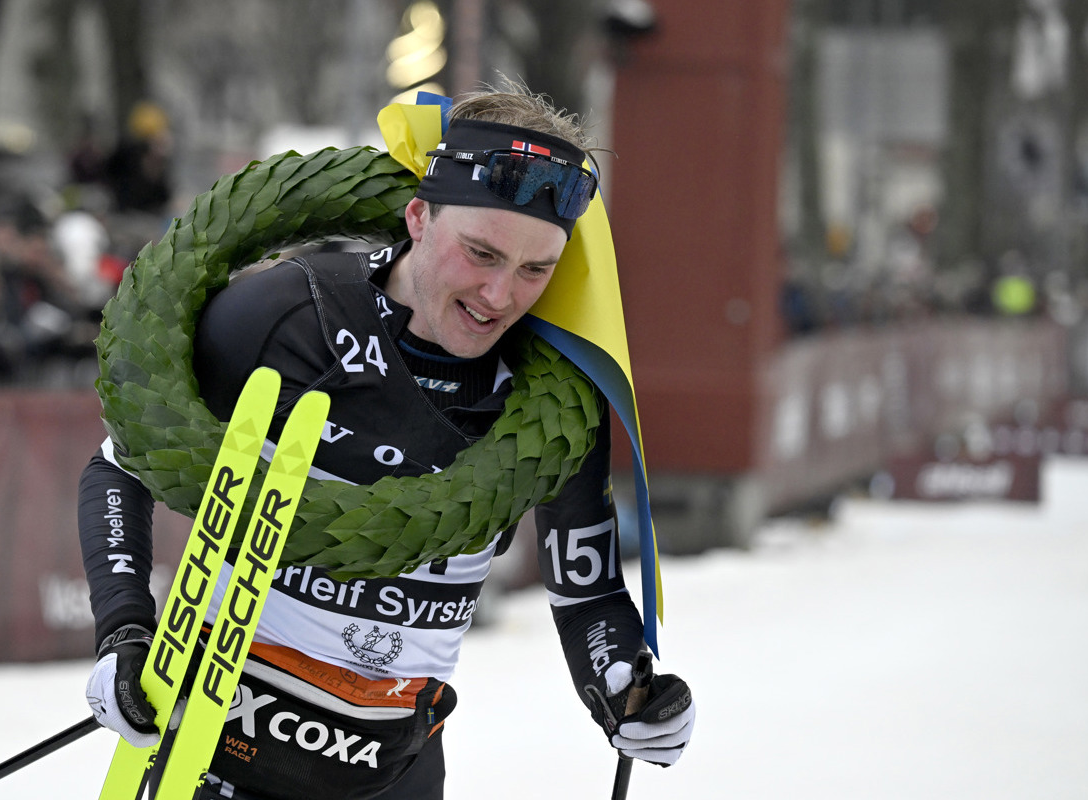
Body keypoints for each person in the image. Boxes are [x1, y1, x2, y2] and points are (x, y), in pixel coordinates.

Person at [79, 84, 696, 800]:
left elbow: (587, 595)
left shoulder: (550, 396)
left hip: (394, 770)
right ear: (418, 218)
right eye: (481, 254)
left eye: (536, 270)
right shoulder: (289, 315)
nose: (499, 295)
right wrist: (124, 632)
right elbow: (121, 463)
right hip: (220, 750)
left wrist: (629, 694)